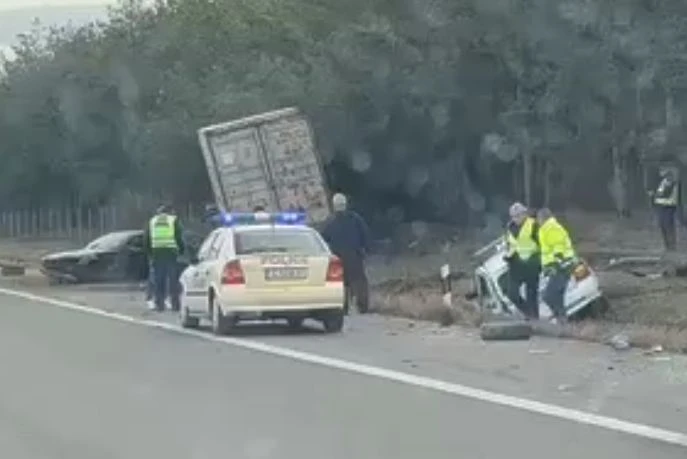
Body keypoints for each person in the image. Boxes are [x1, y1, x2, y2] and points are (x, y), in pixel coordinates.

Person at [321, 193, 372, 314]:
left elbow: (323, 238)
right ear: (346, 204)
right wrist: (367, 250)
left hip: (337, 257)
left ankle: (343, 308)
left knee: (340, 283)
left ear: (334, 206)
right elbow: (365, 234)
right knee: (359, 281)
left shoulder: (330, 221)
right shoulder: (355, 218)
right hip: (354, 255)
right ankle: (363, 306)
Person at [536, 208, 576, 323]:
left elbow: (558, 246)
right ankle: (563, 321)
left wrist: (558, 263)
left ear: (542, 218)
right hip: (560, 266)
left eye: (538, 219)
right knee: (557, 297)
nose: (538, 221)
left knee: (549, 296)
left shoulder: (550, 227)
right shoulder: (549, 227)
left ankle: (561, 319)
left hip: (561, 266)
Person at [143, 204, 185, 312]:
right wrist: (181, 250)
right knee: (173, 280)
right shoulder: (173, 220)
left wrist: (149, 253)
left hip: (157, 253)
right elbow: (178, 237)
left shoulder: (152, 221)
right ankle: (175, 305)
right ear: (169, 211)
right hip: (170, 253)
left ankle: (159, 304)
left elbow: (147, 239)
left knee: (158, 280)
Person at [504, 202, 541, 320]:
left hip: (531, 264)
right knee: (512, 294)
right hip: (516, 264)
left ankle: (535, 319)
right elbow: (511, 245)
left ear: (524, 214)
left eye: (518, 215)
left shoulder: (533, 225)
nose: (516, 219)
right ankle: (527, 313)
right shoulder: (509, 227)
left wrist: (538, 260)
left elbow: (542, 244)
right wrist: (508, 255)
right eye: (513, 216)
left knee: (532, 296)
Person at [650, 168, 681, 251]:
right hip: (660, 206)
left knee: (669, 226)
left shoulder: (673, 183)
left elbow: (666, 194)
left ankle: (672, 246)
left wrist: (656, 194)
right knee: (662, 226)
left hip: (669, 206)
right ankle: (667, 245)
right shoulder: (662, 182)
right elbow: (658, 193)